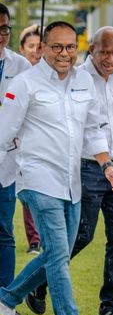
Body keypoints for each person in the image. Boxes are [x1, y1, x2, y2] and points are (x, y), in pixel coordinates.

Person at [0, 21, 113, 315]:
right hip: (36, 179)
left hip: (73, 183)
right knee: (57, 256)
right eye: (56, 46)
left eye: (70, 46)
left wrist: (107, 165)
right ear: (43, 48)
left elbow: (93, 129)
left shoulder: (84, 83)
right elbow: (4, 134)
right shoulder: (24, 84)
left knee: (59, 255)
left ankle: (6, 300)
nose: (64, 53)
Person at [0, 3, 32, 291]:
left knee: (4, 232)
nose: (1, 34)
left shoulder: (20, 65)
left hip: (5, 162)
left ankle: (3, 297)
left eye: (4, 28)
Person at [18, 25, 42, 255]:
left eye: (39, 46)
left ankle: (39, 236)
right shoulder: (19, 76)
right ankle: (34, 238)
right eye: (31, 46)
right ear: (22, 49)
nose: (36, 51)